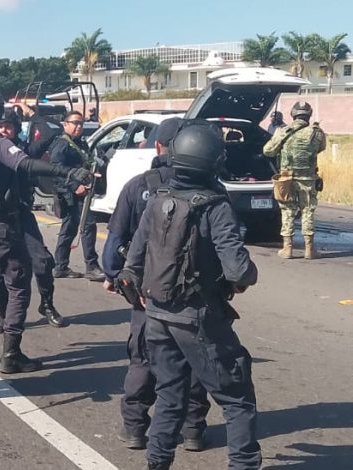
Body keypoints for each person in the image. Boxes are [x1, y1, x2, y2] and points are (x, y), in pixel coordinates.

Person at [122, 121, 261, 470]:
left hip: (156, 315)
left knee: (169, 394)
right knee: (237, 397)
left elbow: (133, 262)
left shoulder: (157, 199)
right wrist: (247, 276)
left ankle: (157, 463)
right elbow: (239, 270)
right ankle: (244, 464)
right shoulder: (215, 206)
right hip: (197, 317)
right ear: (213, 162)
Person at [0, 87, 93, 374]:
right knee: (18, 285)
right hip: (1, 225)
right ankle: (11, 353)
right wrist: (66, 173)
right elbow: (25, 163)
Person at [102, 118, 211, 452]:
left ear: (160, 148)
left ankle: (136, 428)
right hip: (195, 297)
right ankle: (192, 429)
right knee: (196, 361)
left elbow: (115, 238)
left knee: (144, 360)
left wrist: (113, 275)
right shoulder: (210, 189)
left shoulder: (139, 186)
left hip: (148, 293)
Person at [0, 103, 68, 332]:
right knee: (0, 270)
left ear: (16, 128)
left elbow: (52, 132)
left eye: (8, 127)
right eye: (0, 127)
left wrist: (31, 113)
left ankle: (46, 305)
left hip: (22, 214)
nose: (4, 131)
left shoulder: (25, 151)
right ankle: (4, 315)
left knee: (43, 262)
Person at [263, 101, 326, 260]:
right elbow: (321, 148)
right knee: (308, 211)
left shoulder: (283, 131)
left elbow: (268, 151)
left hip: (287, 179)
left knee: (287, 211)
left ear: (293, 114)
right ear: (309, 115)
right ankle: (309, 249)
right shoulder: (317, 132)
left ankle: (288, 248)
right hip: (308, 179)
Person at [49, 110, 104, 281]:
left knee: (69, 229)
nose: (78, 126)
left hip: (81, 193)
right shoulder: (62, 145)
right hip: (70, 195)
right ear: (65, 124)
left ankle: (60, 266)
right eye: (75, 123)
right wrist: (75, 186)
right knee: (88, 226)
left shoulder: (80, 143)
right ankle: (91, 266)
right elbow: (56, 171)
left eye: (81, 123)